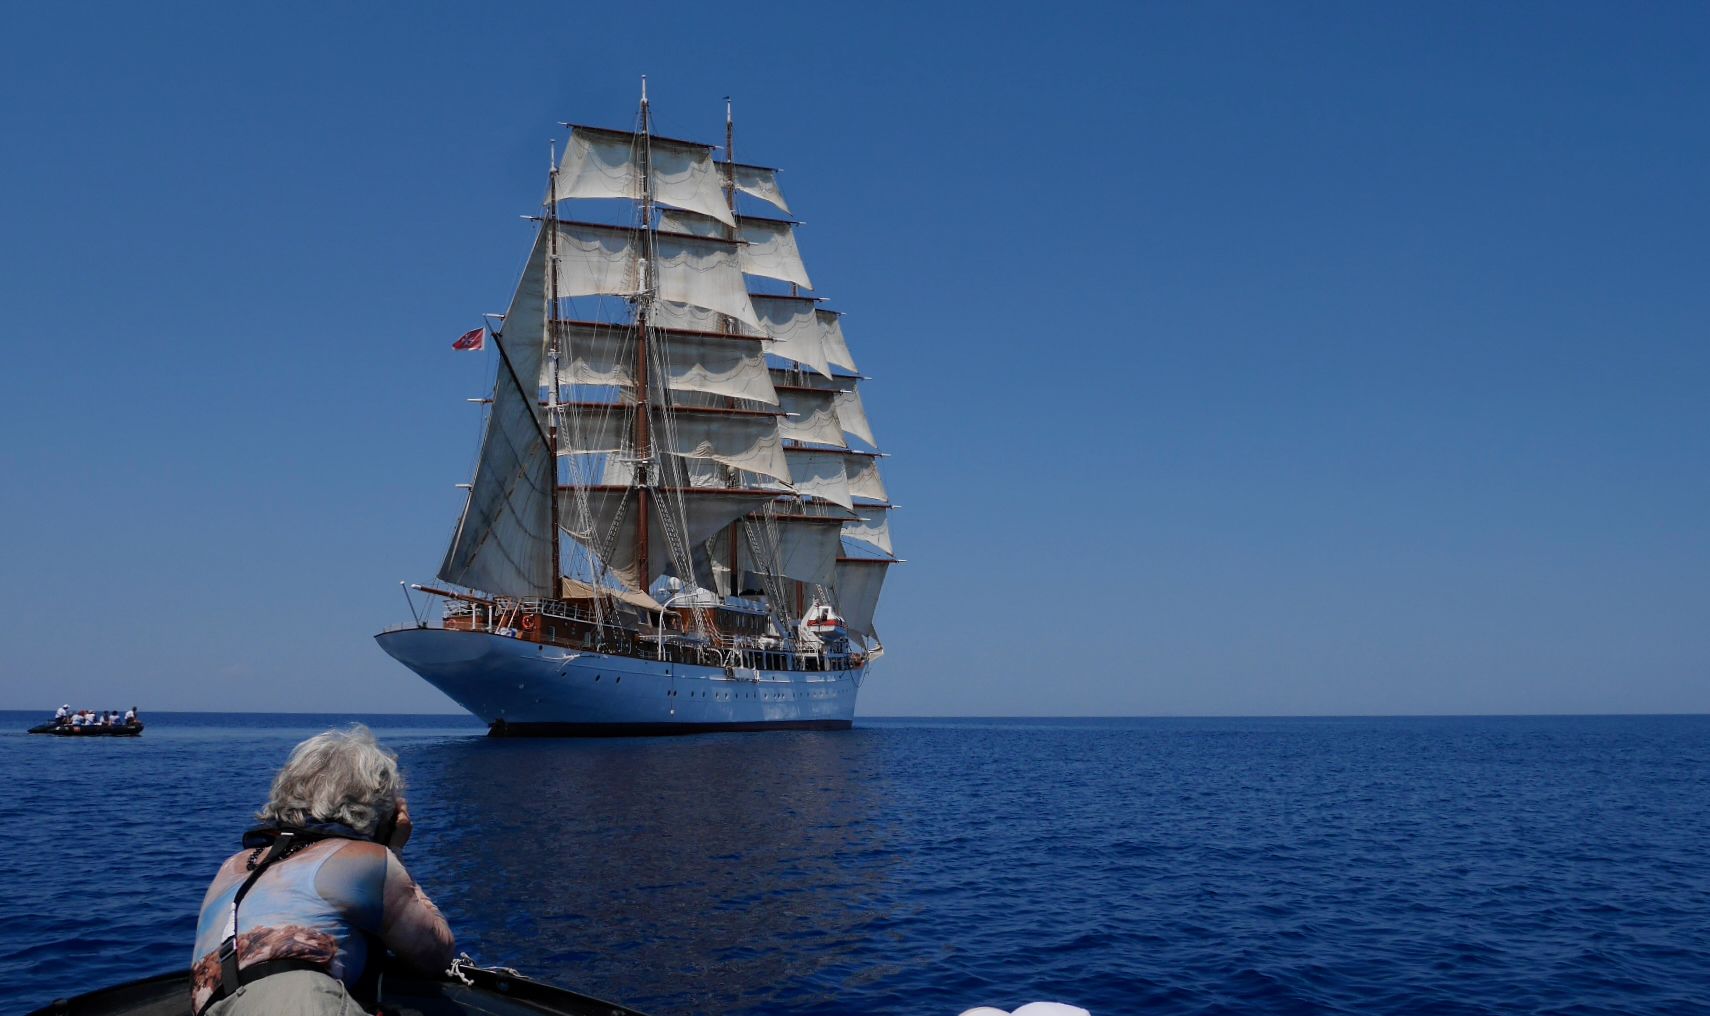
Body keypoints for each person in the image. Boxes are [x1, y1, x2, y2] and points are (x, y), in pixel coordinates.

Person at [189, 725, 454, 1015]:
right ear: (378, 806)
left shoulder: (233, 865)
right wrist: (394, 850)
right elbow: (434, 953)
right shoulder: (362, 860)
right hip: (302, 1002)